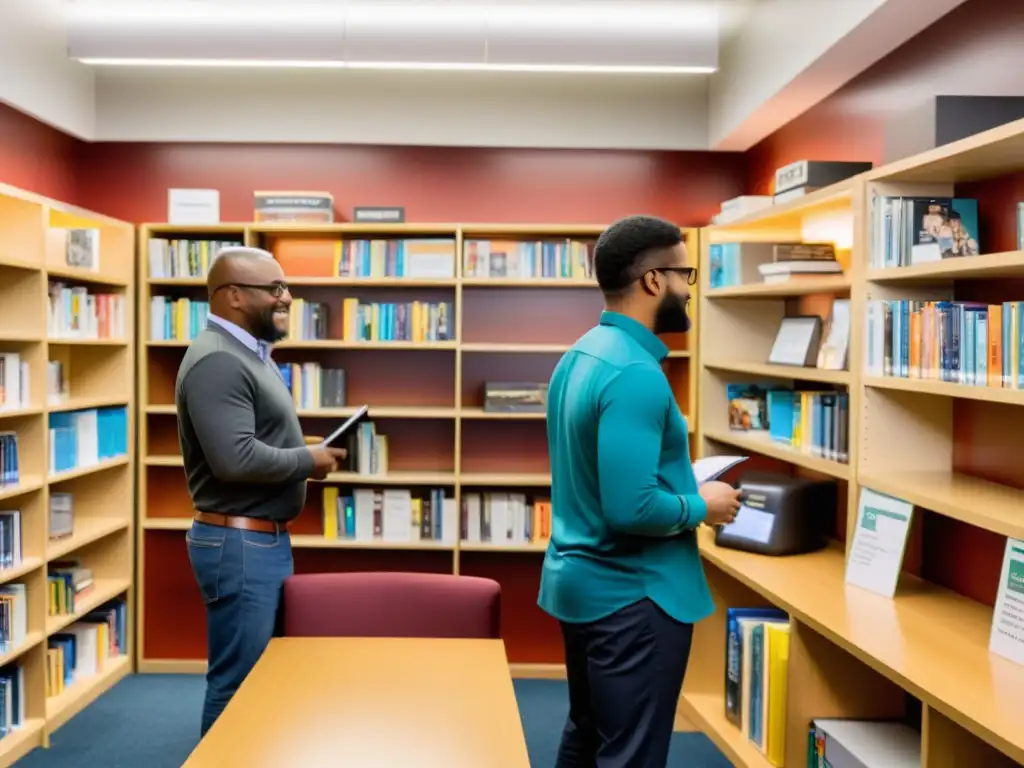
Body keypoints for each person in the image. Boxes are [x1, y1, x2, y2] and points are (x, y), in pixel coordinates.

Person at [538, 215, 742, 767]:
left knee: (588, 734)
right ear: (654, 281)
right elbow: (630, 507)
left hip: (582, 587)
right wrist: (705, 505)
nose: (688, 290)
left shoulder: (581, 354)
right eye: (685, 274)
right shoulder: (636, 374)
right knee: (631, 754)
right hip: (633, 598)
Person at [175, 246, 346, 736]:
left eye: (285, 286)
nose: (287, 296)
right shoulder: (218, 361)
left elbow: (251, 443)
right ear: (232, 296)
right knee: (238, 684)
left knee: (259, 679)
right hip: (240, 543)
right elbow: (234, 459)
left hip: (255, 540)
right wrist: (306, 461)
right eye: (273, 289)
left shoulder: (245, 355)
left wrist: (302, 451)